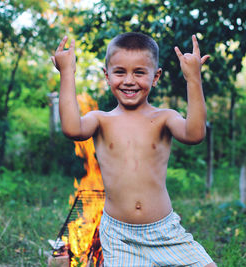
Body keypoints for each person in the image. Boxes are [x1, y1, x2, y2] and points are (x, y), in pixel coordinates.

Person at [51, 32, 216, 267]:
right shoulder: (100, 120)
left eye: (139, 72)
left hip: (164, 231)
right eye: (120, 72)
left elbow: (195, 134)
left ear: (155, 76)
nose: (129, 80)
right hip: (119, 236)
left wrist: (193, 79)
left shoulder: (164, 118)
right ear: (107, 76)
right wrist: (67, 72)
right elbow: (71, 129)